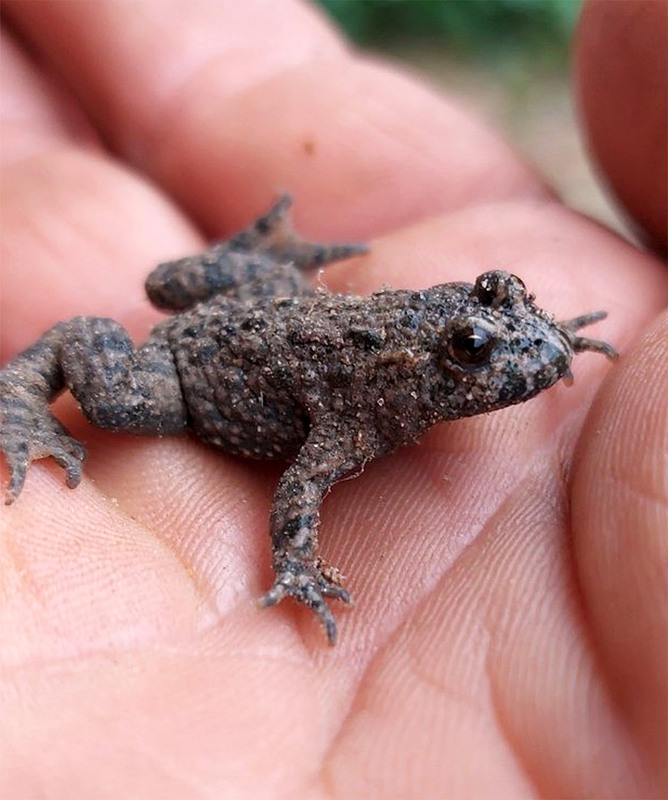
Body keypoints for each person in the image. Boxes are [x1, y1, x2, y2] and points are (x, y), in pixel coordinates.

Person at [0, 1, 665, 797]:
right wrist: (300, 570)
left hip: (280, 306)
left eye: (508, 302)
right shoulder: (362, 413)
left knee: (179, 282)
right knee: (115, 403)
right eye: (473, 353)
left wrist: (548, 338)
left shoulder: (408, 371)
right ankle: (18, 390)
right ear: (420, 369)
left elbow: (502, 335)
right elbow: (301, 484)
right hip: (194, 368)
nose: (513, 349)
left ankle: (263, 260)